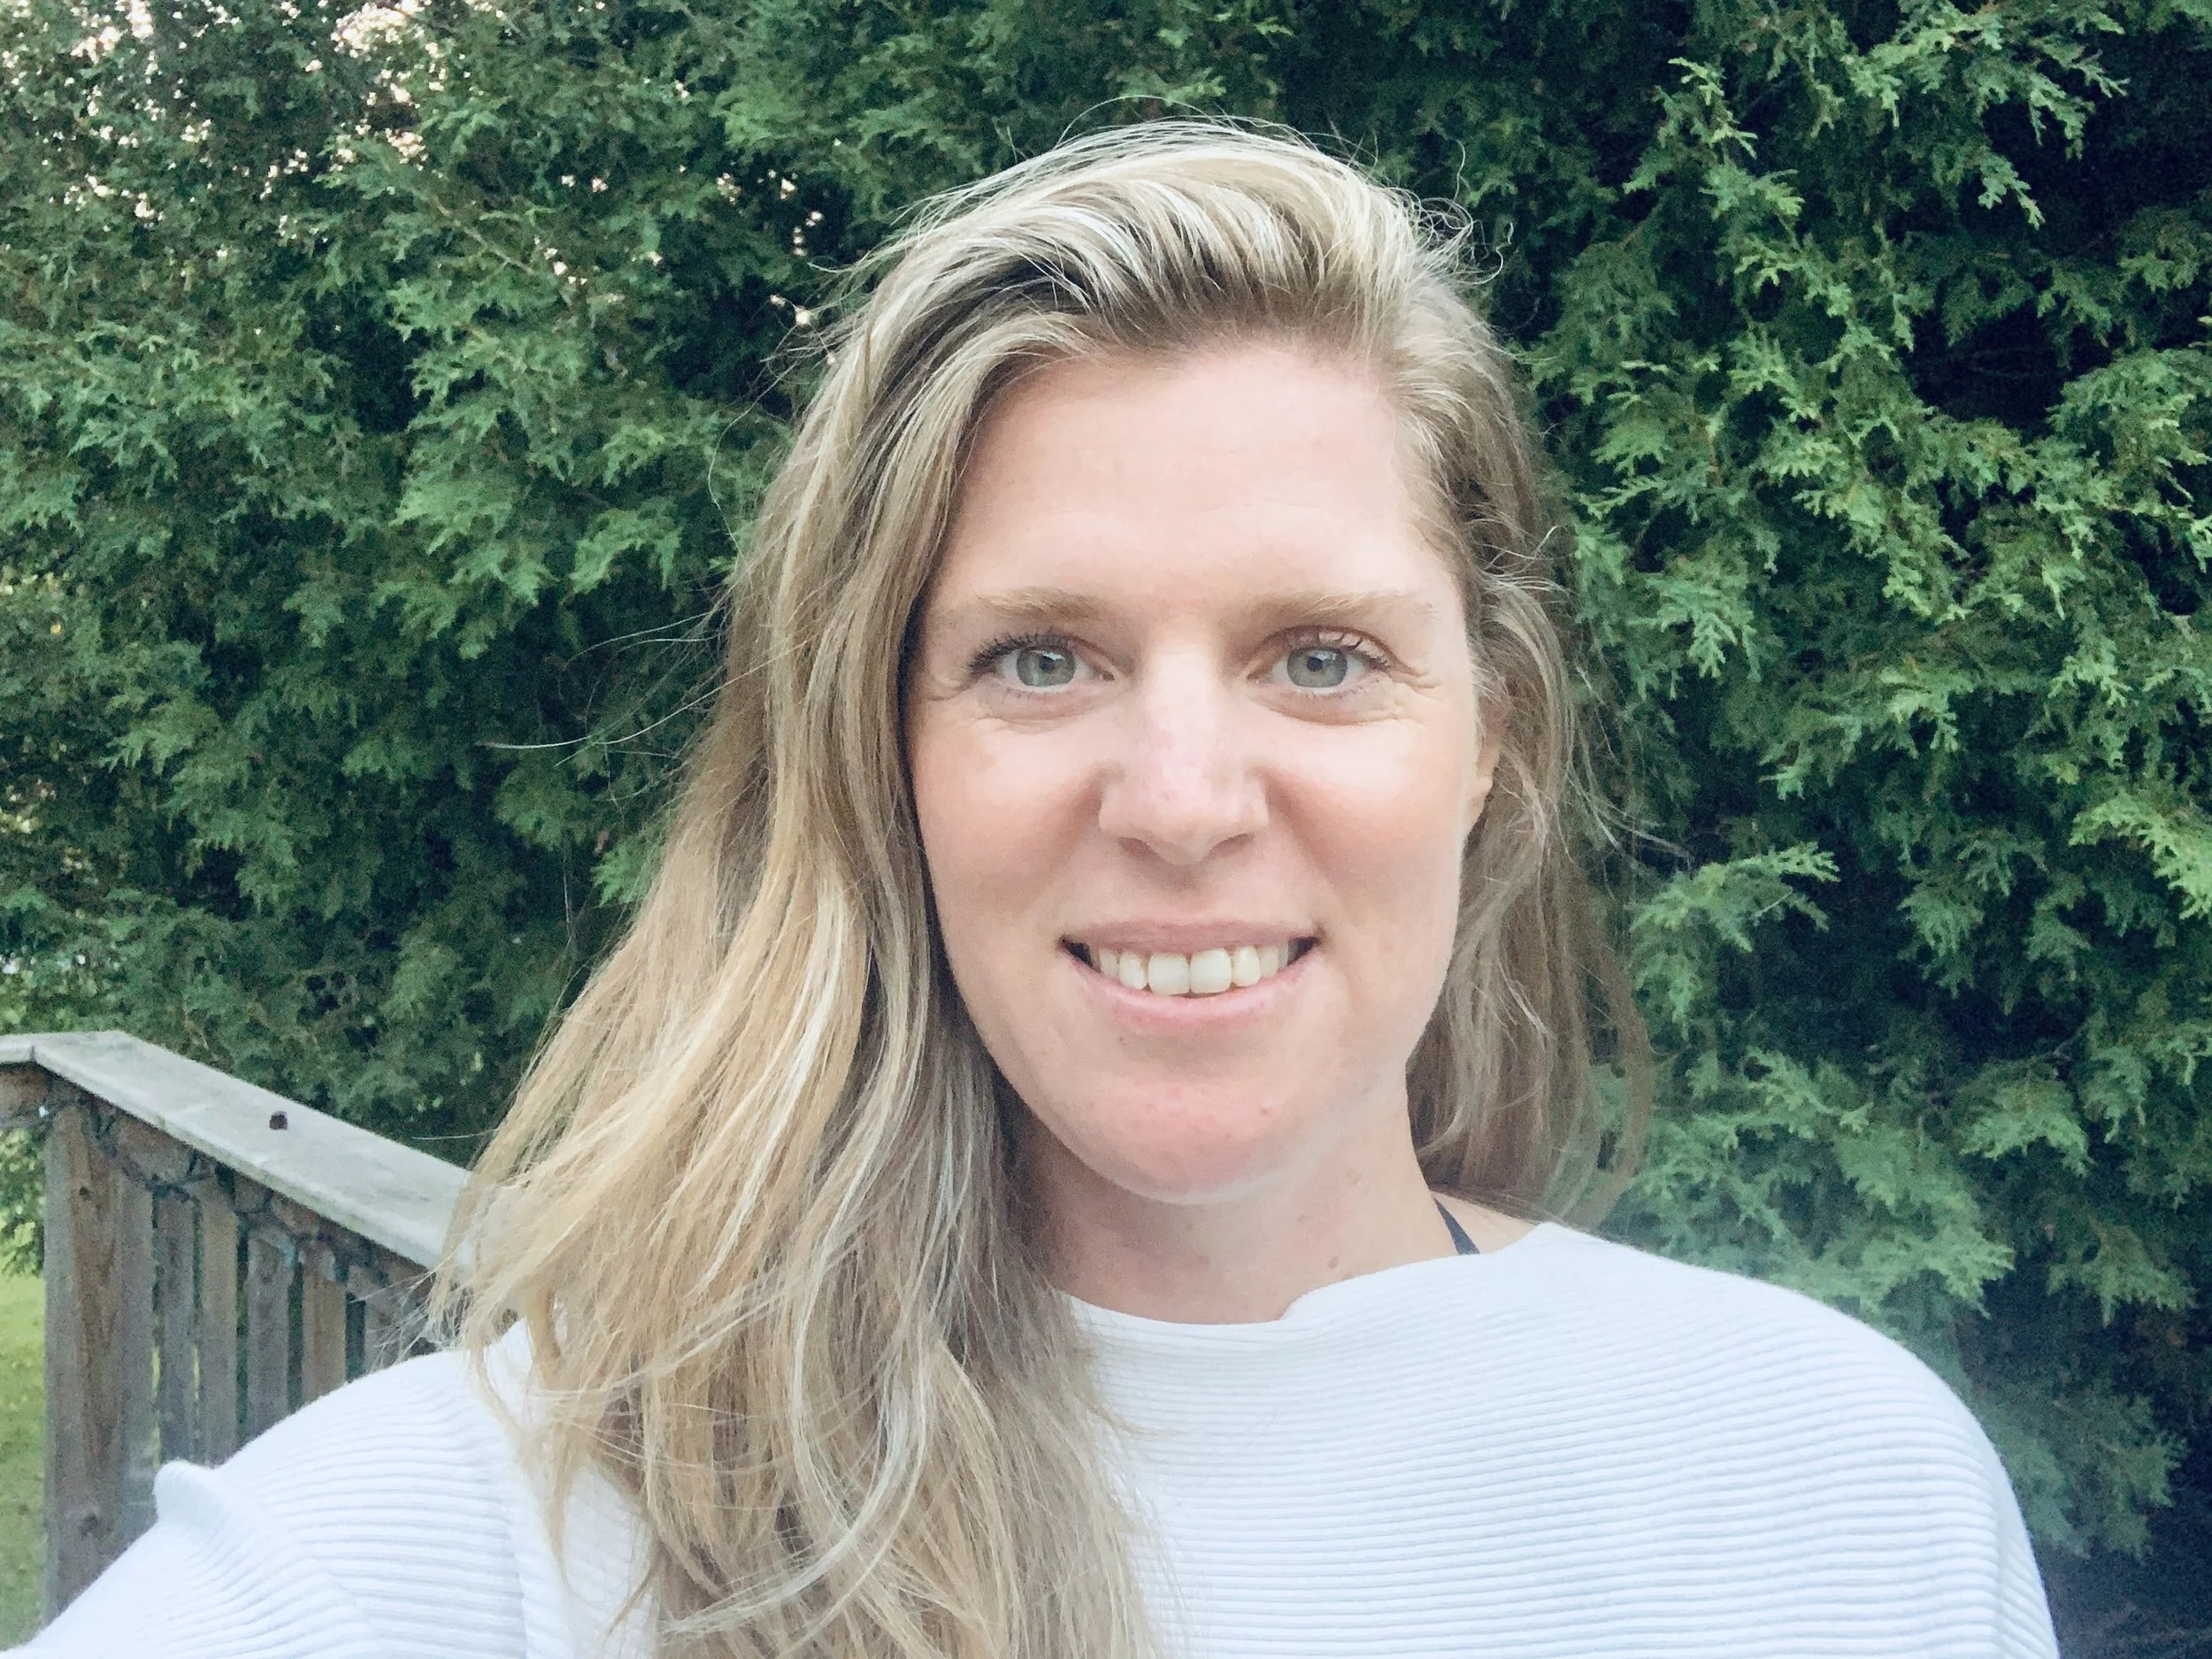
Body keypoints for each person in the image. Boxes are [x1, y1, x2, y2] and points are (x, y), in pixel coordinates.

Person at [27, 120, 2057, 1659]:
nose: (1179, 798)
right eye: (1038, 658)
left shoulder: (1839, 1496)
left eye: (1318, 656)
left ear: (1492, 730)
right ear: (880, 752)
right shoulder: (492, 1536)